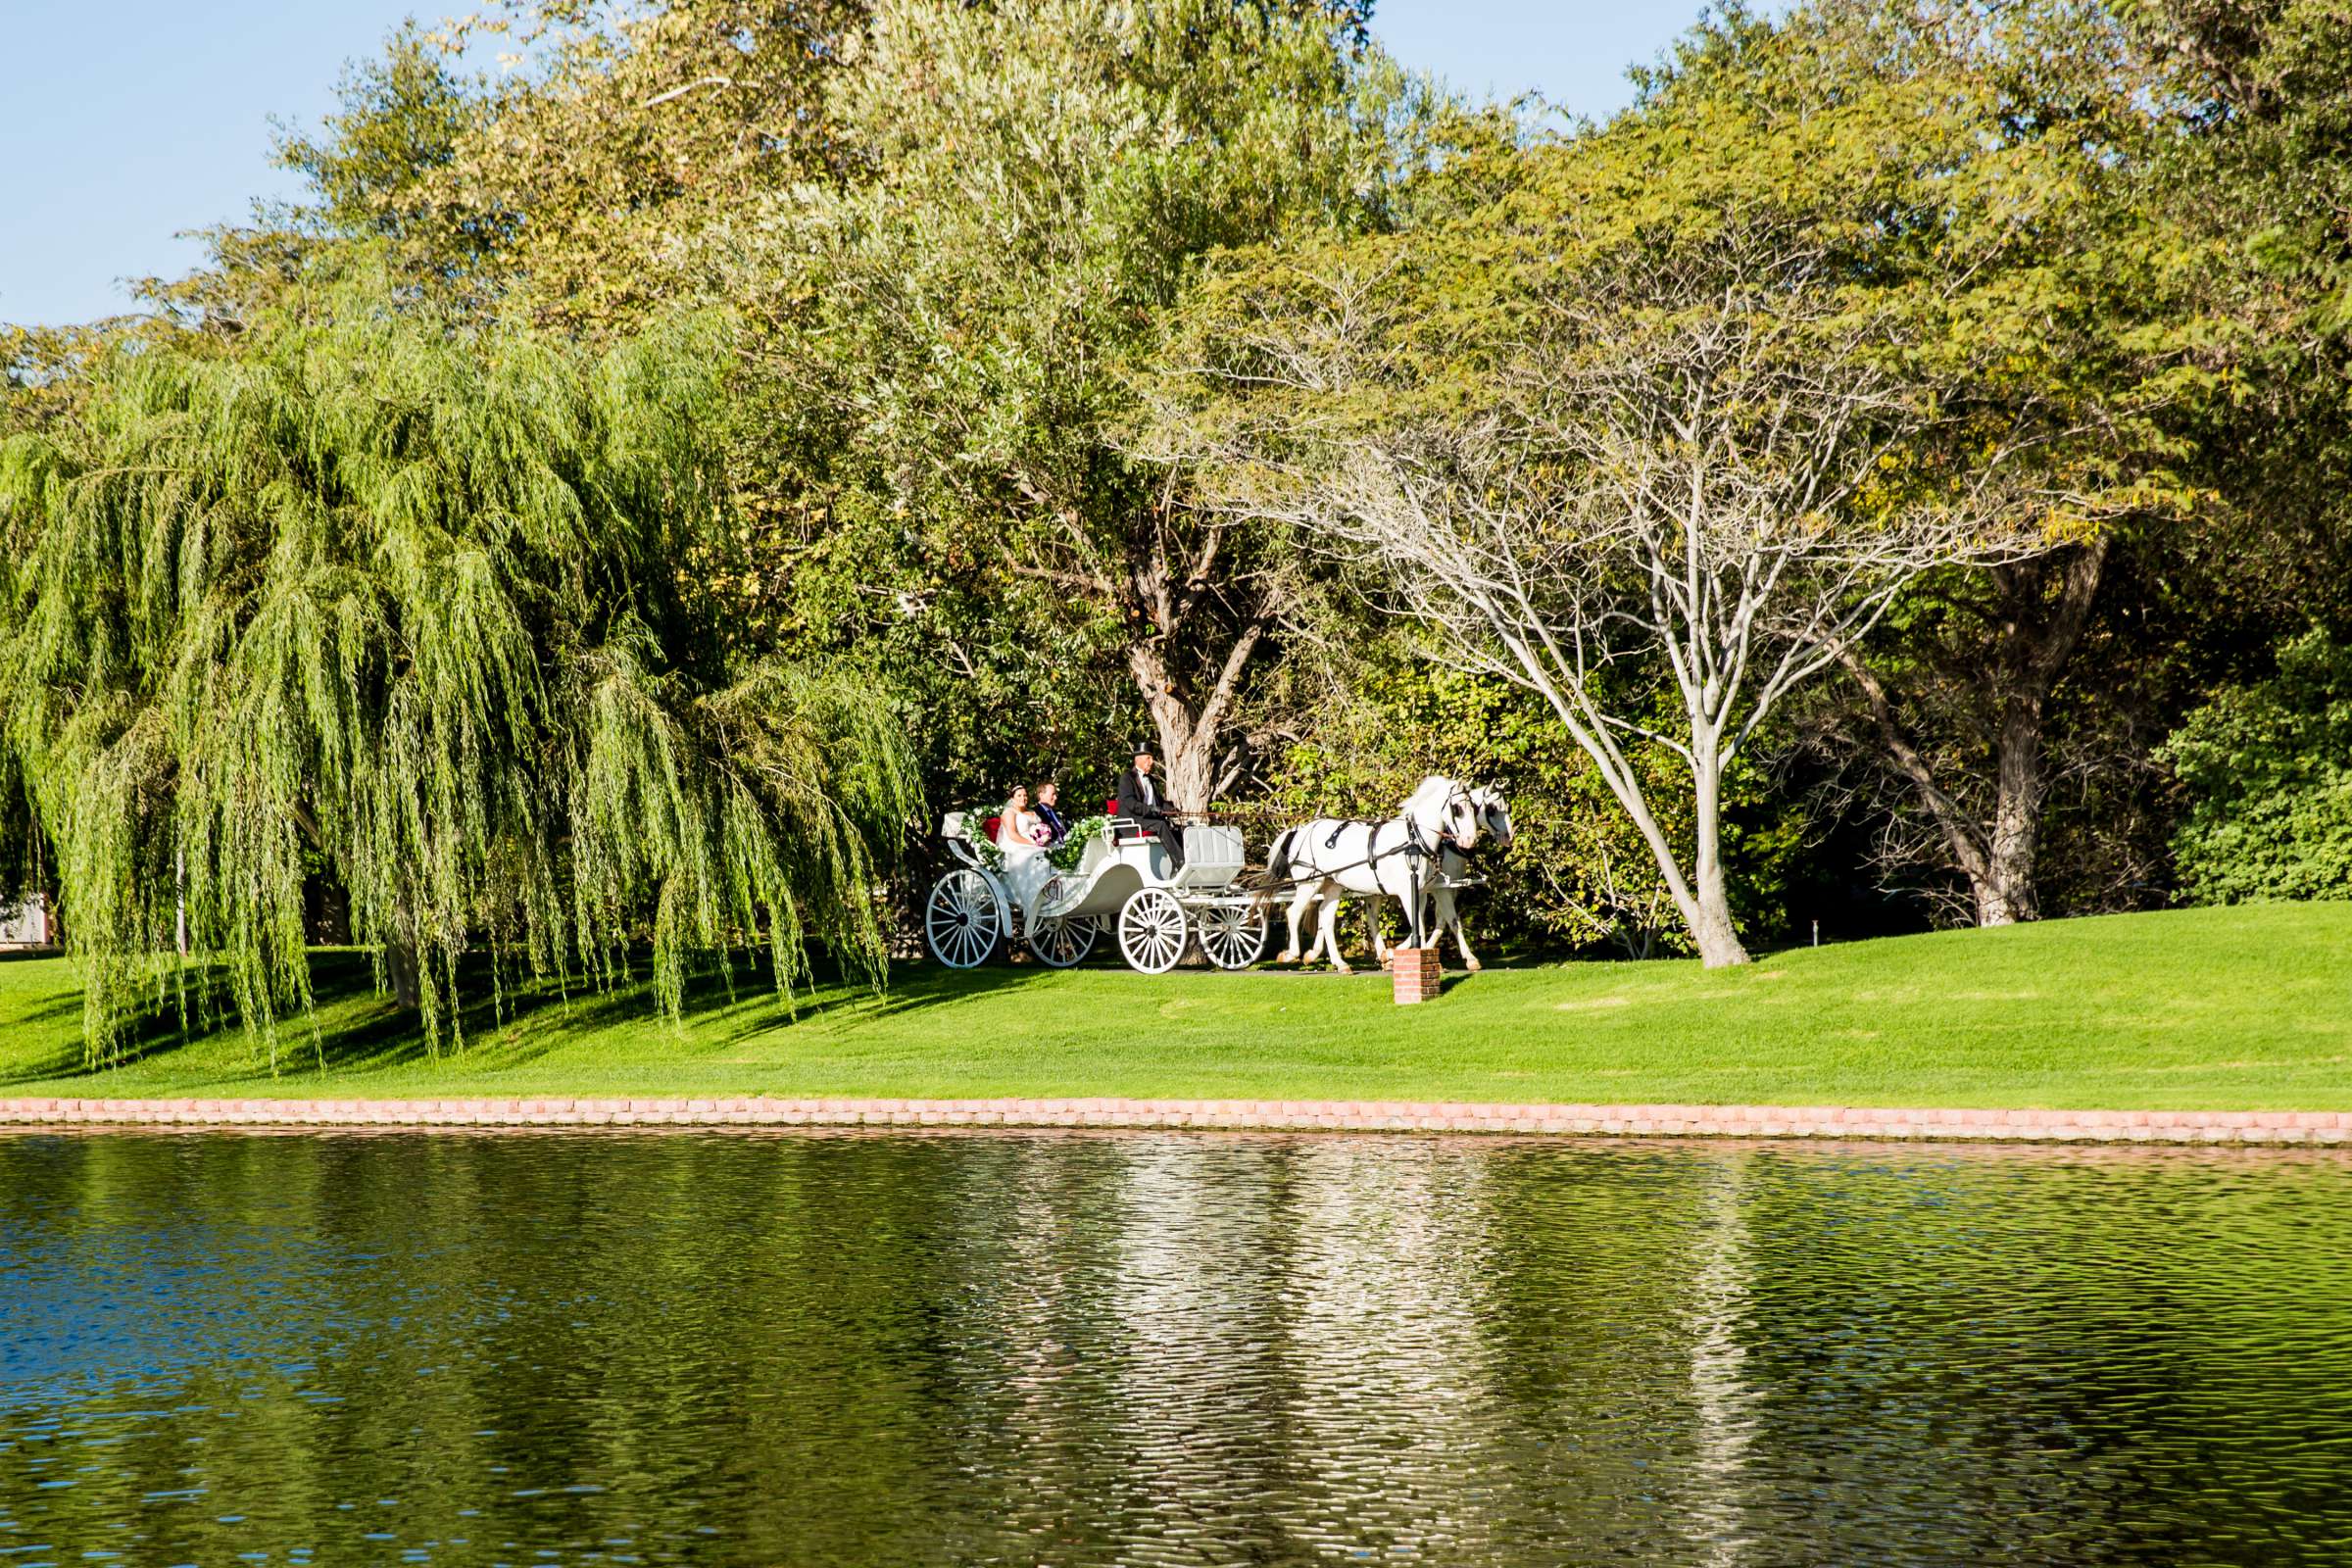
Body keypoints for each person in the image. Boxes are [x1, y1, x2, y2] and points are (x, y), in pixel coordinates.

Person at [1113, 749, 1185, 870]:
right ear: (1138, 759)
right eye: (1148, 758)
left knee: (1178, 828)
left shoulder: (1151, 779)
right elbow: (1131, 803)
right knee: (1161, 825)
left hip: (1148, 819)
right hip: (1133, 821)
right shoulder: (1127, 778)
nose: (1152, 762)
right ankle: (1180, 862)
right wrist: (1151, 810)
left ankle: (1177, 864)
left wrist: (1172, 810)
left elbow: (1160, 802)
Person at [994, 785, 1057, 920]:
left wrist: (1044, 837)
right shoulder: (1009, 813)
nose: (1023, 798)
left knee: (1056, 851)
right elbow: (1012, 834)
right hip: (1017, 845)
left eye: (1025, 795)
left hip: (1036, 842)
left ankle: (1055, 895)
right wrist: (1033, 843)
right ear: (1012, 798)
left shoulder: (1032, 813)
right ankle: (1035, 900)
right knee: (1034, 856)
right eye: (1019, 795)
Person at [1033, 781, 1070, 849]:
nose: (1055, 797)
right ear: (1041, 795)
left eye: (1055, 794)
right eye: (1052, 794)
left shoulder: (1055, 812)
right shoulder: (1035, 813)